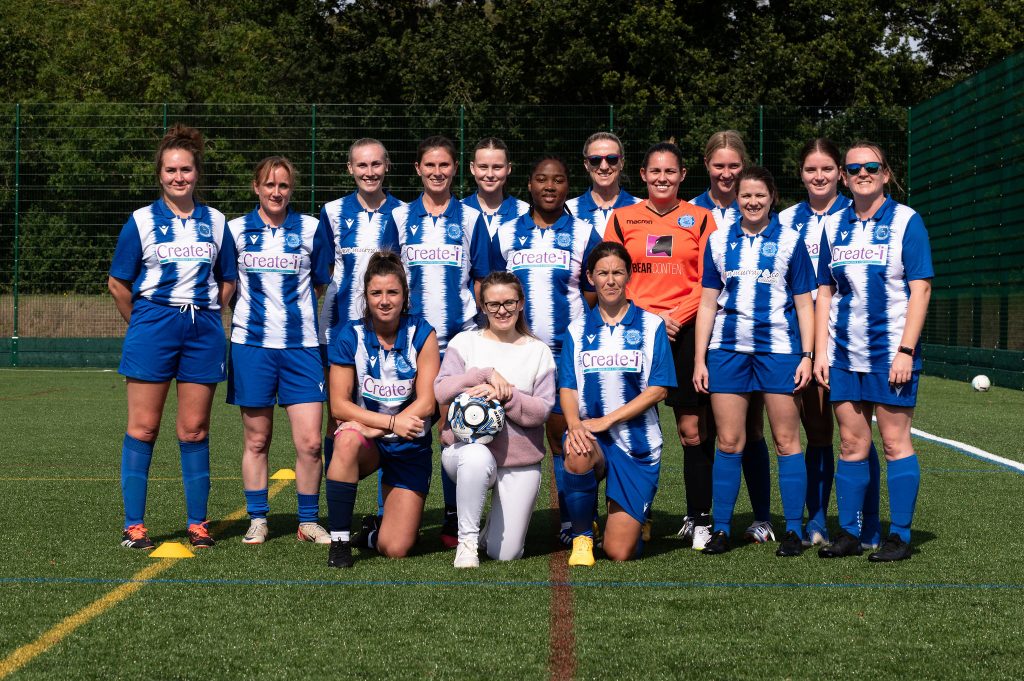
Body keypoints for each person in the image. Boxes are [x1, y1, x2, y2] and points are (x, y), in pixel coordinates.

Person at [108, 124, 236, 550]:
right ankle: (134, 526)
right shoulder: (141, 221)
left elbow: (227, 280)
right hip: (153, 325)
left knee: (195, 430)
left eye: (185, 170)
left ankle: (198, 524)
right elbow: (118, 283)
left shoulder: (217, 222)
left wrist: (204, 313)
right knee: (144, 428)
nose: (178, 177)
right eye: (170, 170)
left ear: (197, 173)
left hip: (202, 329)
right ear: (159, 174)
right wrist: (145, 322)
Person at [814, 141, 933, 562]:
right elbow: (826, 291)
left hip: (890, 355)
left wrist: (905, 349)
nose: (863, 173)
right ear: (843, 178)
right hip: (845, 353)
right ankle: (849, 533)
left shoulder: (906, 221)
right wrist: (821, 351)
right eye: (854, 168)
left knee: (895, 443)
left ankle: (899, 536)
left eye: (871, 167)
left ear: (885, 173)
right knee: (850, 444)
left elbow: (921, 290)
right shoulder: (835, 224)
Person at [693, 167, 816, 557]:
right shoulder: (717, 242)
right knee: (729, 441)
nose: (752, 201)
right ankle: (723, 530)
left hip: (779, 350)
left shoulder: (791, 241)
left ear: (772, 196)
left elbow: (804, 304)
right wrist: (700, 358)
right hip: (727, 351)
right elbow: (709, 302)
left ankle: (793, 530)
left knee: (785, 440)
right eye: (745, 195)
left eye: (759, 195)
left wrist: (808, 355)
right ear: (737, 198)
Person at [604, 141, 717, 549]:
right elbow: (610, 273)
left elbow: (710, 281)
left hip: (684, 331)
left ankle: (699, 518)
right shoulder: (622, 218)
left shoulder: (701, 219)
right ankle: (638, 513)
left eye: (670, 172)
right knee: (631, 423)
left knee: (691, 430)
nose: (662, 178)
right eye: (655, 172)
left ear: (683, 175)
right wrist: (647, 318)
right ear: (643, 176)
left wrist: (677, 317)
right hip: (636, 328)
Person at [491, 154, 601, 546]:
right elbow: (488, 288)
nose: (549, 186)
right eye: (541, 179)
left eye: (557, 180)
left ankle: (573, 519)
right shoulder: (505, 232)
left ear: (568, 186)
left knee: (563, 435)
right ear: (530, 185)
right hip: (515, 351)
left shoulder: (586, 233)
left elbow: (595, 293)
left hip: (564, 353)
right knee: (502, 430)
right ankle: (494, 520)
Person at [387, 135, 491, 547]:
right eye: (429, 165)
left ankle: (453, 516)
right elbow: (389, 279)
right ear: (417, 169)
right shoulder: (398, 218)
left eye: (444, 165)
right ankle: (390, 511)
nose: (436, 172)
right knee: (404, 427)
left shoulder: (470, 218)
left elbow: (481, 278)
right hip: (410, 342)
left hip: (458, 339)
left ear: (454, 168)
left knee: (455, 428)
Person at [778, 138, 881, 548]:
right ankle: (817, 520)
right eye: (810, 170)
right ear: (800, 174)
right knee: (817, 430)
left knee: (857, 433)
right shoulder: (785, 219)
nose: (818, 176)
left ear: (840, 172)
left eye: (826, 169)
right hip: (798, 339)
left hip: (846, 340)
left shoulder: (856, 211)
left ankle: (867, 523)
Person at [226, 156, 333, 545]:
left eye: (283, 186)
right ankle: (258, 518)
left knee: (309, 442)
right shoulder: (234, 230)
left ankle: (307, 521)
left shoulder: (311, 228)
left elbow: (319, 282)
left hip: (301, 348)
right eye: (269, 185)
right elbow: (227, 286)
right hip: (251, 346)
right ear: (256, 187)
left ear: (292, 189)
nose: (276, 192)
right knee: (257, 440)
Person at [559, 241, 676, 565]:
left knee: (619, 552)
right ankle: (582, 536)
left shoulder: (652, 325)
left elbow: (659, 389)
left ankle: (637, 518)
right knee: (577, 449)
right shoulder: (577, 329)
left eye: (617, 273)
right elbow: (567, 387)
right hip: (594, 437)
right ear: (590, 277)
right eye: (602, 274)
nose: (610, 280)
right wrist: (574, 425)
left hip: (637, 443)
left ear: (628, 276)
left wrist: (608, 420)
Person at [324, 252, 440, 568]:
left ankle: (373, 533)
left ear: (405, 297)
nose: (384, 301)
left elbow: (428, 403)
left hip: (409, 445)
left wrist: (380, 426)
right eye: (376, 293)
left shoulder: (423, 332)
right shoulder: (351, 335)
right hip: (370, 443)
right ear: (366, 297)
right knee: (345, 438)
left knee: (396, 547)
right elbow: (339, 405)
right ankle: (339, 542)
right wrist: (389, 423)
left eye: (392, 292)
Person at [434, 272, 557, 567]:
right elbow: (441, 390)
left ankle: (490, 531)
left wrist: (505, 395)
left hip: (520, 460)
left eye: (509, 302)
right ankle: (466, 543)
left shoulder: (538, 351)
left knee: (506, 554)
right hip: (464, 453)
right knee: (476, 456)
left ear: (521, 303)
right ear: (483, 307)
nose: (502, 310)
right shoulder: (464, 342)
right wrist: (483, 374)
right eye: (493, 304)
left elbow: (542, 410)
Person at [689, 130, 774, 545]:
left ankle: (762, 516)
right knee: (704, 429)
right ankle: (702, 515)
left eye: (734, 166)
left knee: (753, 427)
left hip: (758, 338)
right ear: (707, 166)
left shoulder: (765, 213)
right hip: (703, 333)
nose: (726, 173)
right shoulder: (689, 213)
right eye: (719, 165)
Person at [317, 138, 403, 477]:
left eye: (376, 164)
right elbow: (323, 270)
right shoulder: (333, 211)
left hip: (385, 331)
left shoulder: (403, 212)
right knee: (336, 418)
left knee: (387, 416)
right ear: (350, 168)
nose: (370, 172)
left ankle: (387, 511)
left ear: (387, 166)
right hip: (338, 330)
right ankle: (334, 508)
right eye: (362, 165)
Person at [566, 132, 641, 238]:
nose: (604, 167)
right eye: (595, 160)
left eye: (612, 159)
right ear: (586, 165)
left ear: (622, 163)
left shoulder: (640, 207)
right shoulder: (569, 210)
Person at [463, 137, 529, 238]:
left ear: (508, 168)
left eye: (497, 167)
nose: (490, 174)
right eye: (483, 167)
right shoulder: (458, 210)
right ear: (472, 168)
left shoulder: (525, 212)